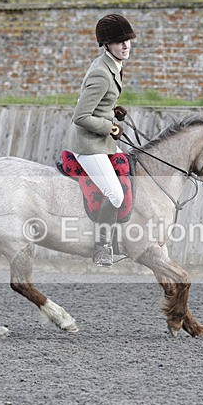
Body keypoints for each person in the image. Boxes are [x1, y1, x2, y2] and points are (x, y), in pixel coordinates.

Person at [67, 13, 136, 267]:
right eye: (120, 42)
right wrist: (110, 127)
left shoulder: (113, 66)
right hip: (89, 144)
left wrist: (112, 109)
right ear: (107, 45)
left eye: (128, 40)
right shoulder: (101, 73)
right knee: (115, 195)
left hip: (101, 139)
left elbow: (100, 102)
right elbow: (80, 116)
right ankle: (102, 246)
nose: (126, 45)